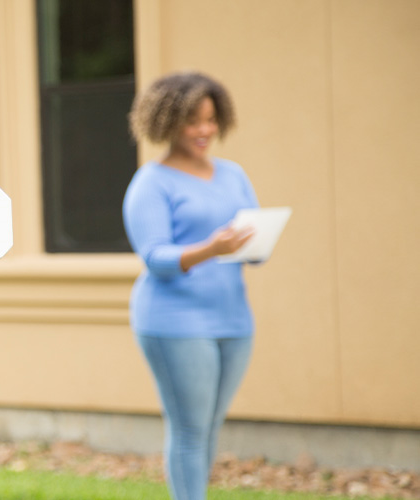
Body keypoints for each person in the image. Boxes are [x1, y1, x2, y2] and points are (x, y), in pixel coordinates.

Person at [122, 72, 259, 500]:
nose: (204, 131)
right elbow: (155, 258)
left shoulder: (233, 174)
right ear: (167, 122)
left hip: (233, 319)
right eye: (192, 121)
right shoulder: (152, 182)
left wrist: (255, 244)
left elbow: (250, 236)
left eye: (211, 120)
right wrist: (210, 248)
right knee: (189, 429)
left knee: (208, 427)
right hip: (175, 322)